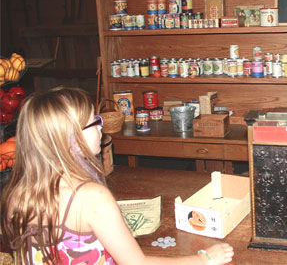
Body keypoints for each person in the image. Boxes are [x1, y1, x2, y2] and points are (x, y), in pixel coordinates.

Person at [1, 87, 234, 265]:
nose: (101, 126)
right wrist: (204, 258)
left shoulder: (16, 194)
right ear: (71, 139)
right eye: (94, 121)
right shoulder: (91, 197)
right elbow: (136, 263)